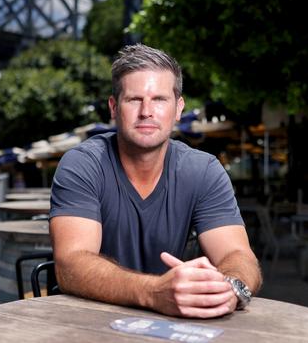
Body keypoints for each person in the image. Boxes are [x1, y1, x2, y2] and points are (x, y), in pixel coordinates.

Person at [49, 44, 262, 319]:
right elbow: (71, 265)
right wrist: (153, 292)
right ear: (114, 107)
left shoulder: (203, 170)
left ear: (178, 108)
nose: (146, 111)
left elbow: (237, 253)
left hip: (169, 320)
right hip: (87, 318)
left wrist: (229, 288)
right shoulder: (83, 164)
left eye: (159, 99)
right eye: (134, 99)